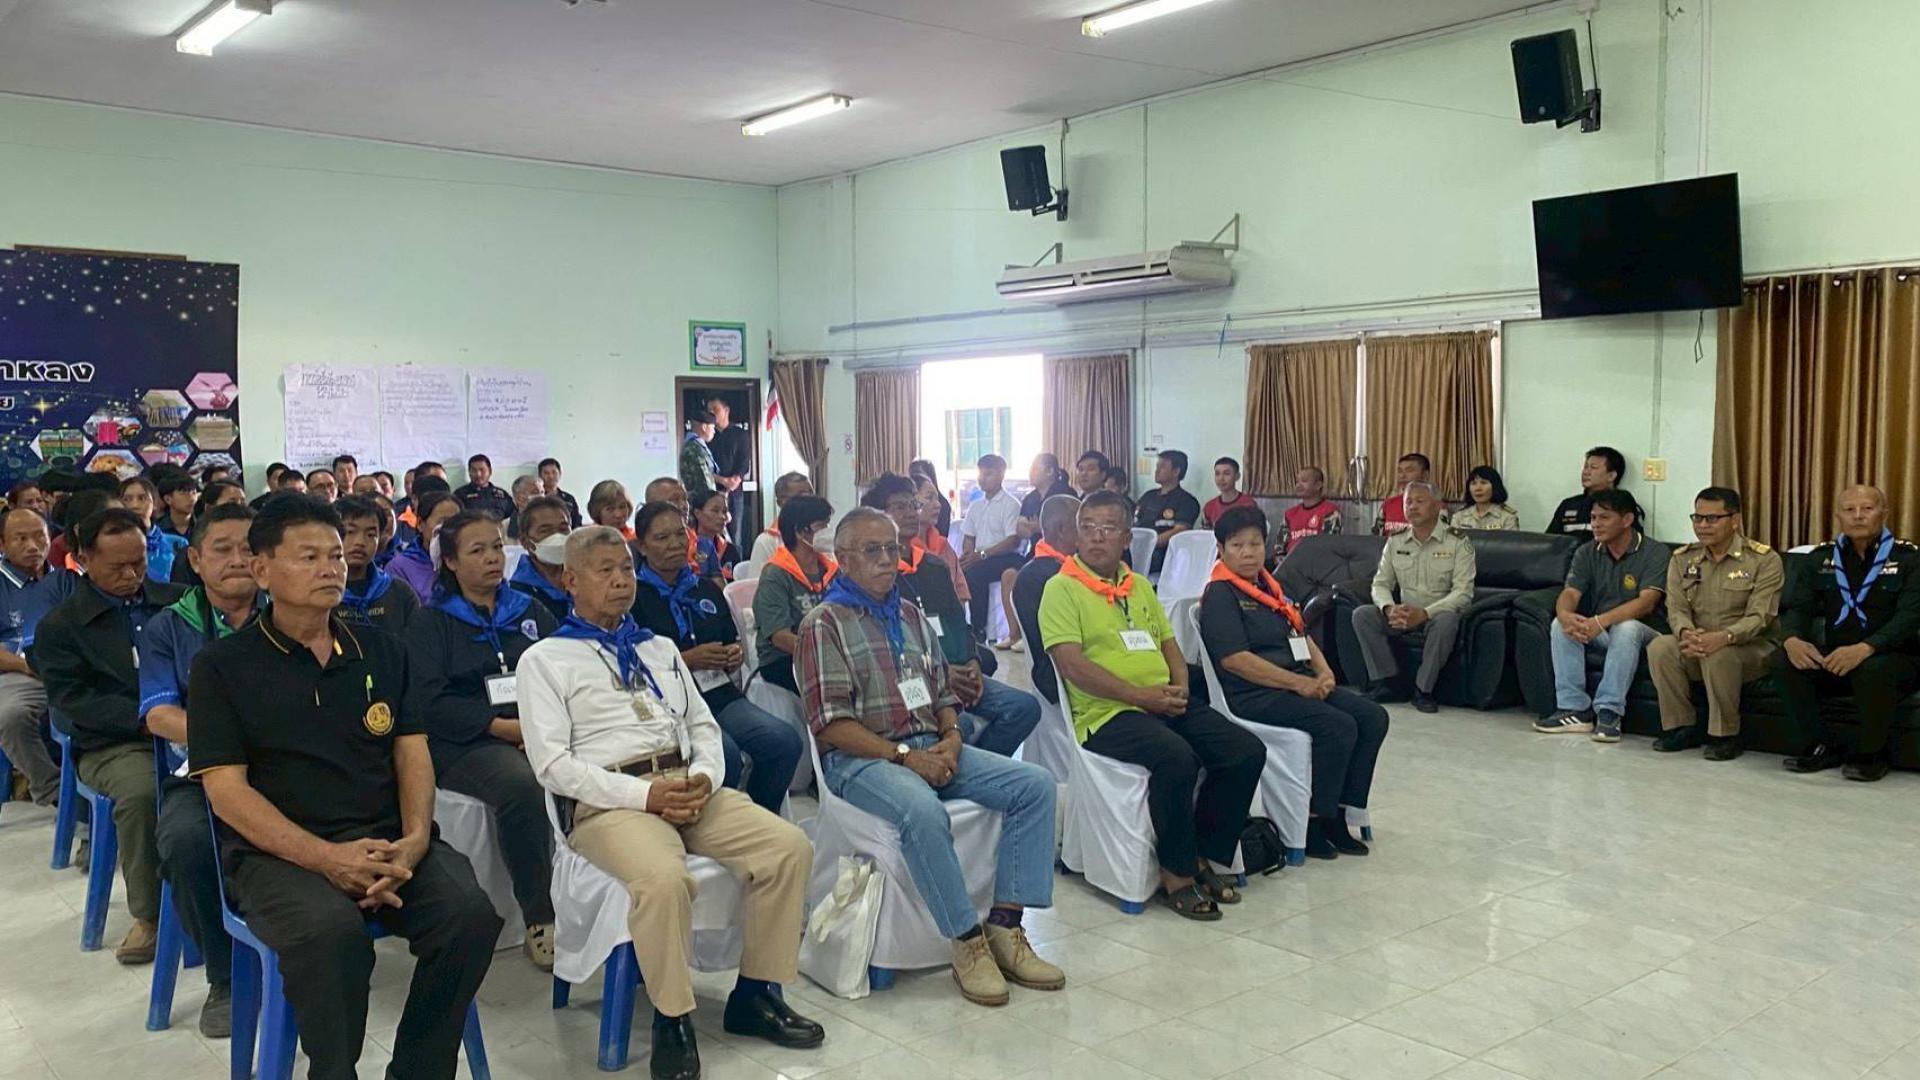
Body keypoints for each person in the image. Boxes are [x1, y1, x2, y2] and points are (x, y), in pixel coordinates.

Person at [188, 496, 501, 1080]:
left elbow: (412, 751)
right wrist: (327, 859)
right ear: (262, 570)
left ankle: (419, 1070)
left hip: (386, 839)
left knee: (469, 916)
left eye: (334, 556)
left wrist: (414, 840)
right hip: (280, 855)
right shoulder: (223, 667)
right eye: (308, 557)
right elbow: (225, 791)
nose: (330, 568)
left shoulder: (381, 649)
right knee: (333, 937)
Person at [521, 527, 824, 1079]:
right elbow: (553, 766)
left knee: (788, 847)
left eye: (626, 569)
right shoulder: (545, 659)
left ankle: (754, 994)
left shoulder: (656, 648)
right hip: (610, 803)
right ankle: (673, 1017)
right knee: (664, 879)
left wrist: (705, 777)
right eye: (605, 570)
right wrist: (645, 796)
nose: (621, 580)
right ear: (570, 580)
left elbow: (702, 725)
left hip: (685, 786)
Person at [800, 508, 1063, 1005]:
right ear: (844, 558)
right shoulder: (824, 623)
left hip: (929, 744)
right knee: (922, 809)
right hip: (861, 761)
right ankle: (966, 941)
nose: (887, 560)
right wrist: (904, 757)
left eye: (892, 549)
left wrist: (953, 738)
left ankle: (1005, 927)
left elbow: (942, 694)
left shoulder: (909, 614)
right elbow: (831, 725)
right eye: (872, 551)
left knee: (1034, 786)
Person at [1041, 491, 1263, 920]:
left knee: (1244, 750)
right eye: (1088, 528)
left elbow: (1169, 645)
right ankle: (1176, 875)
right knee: (1177, 758)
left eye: (1108, 528)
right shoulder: (1061, 588)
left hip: (1160, 701)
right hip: (1106, 714)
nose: (1096, 537)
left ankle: (1202, 852)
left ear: (1127, 538)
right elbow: (1071, 665)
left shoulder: (1139, 585)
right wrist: (1139, 697)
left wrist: (1179, 689)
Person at [31, 508, 186, 962]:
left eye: (139, 562)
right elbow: (72, 702)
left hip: (187, 726)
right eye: (118, 566)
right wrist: (145, 718)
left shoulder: (177, 603)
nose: (132, 575)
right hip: (115, 743)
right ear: (82, 559)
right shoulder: (61, 626)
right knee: (143, 793)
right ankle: (150, 915)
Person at [412, 510, 559, 969]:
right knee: (521, 786)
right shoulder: (431, 623)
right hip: (465, 742)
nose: (493, 558)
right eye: (477, 551)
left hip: (537, 729)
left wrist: (542, 726)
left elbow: (563, 666)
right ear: (451, 562)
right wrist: (500, 727)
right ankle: (540, 916)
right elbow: (429, 701)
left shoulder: (528, 610)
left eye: (496, 546)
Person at [137, 502, 262, 1037]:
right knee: (186, 840)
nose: (237, 560)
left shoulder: (288, 614)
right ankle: (225, 976)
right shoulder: (168, 626)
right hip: (200, 771)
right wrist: (236, 739)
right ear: (195, 558)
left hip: (285, 766)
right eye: (222, 549)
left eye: (248, 549)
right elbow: (159, 715)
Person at [1199, 506, 1383, 859]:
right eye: (1237, 545)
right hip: (1253, 694)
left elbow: (1299, 632)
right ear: (1221, 549)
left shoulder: (1269, 586)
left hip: (1295, 682)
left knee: (1372, 717)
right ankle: (1314, 822)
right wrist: (1298, 684)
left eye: (1255, 543)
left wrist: (1324, 672)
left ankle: (1342, 812)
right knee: (1337, 725)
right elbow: (1235, 660)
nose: (1248, 552)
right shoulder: (1221, 594)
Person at [630, 501, 802, 812]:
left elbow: (731, 639)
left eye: (680, 534)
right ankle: (717, 826)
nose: (675, 544)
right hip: (669, 706)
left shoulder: (705, 589)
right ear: (641, 546)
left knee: (784, 741)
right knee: (725, 755)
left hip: (719, 694)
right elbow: (631, 666)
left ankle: (759, 814)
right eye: (661, 538)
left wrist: (733, 654)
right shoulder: (633, 598)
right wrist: (688, 659)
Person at [865, 475, 1041, 756]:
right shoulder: (874, 574)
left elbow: (958, 622)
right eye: (899, 507)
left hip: (955, 671)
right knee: (962, 724)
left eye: (913, 504)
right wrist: (942, 675)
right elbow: (881, 648)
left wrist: (972, 661)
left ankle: (977, 766)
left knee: (1024, 708)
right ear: (876, 516)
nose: (911, 513)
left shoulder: (933, 566)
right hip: (911, 680)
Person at [1774, 486, 1920, 781]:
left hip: (1895, 657)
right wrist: (1791, 640)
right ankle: (1819, 746)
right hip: (1838, 657)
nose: (1858, 516)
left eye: (1867, 509)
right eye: (1849, 510)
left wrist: (1866, 648)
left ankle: (1872, 754)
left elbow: (1910, 616)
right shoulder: (1820, 559)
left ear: (1884, 514)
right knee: (1782, 661)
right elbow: (1798, 608)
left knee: (1873, 668)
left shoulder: (1908, 559)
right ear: (1838, 516)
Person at [1646, 487, 1783, 761]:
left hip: (1750, 648)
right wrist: (1686, 633)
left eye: (1712, 518)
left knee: (1719, 655)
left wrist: (1724, 637)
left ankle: (1726, 735)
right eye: (1697, 518)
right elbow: (1676, 607)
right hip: (1698, 642)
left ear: (1735, 520)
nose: (1702, 525)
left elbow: (1761, 616)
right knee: (1660, 647)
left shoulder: (1763, 560)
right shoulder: (1683, 559)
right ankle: (1682, 727)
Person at [1532, 489, 1669, 742]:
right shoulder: (1587, 551)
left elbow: (1646, 604)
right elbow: (1570, 592)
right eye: (1593, 518)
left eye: (1604, 518)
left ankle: (1609, 712)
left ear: (1627, 520)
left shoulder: (1655, 551)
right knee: (1560, 625)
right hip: (1604, 632)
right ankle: (1574, 709)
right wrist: (1564, 614)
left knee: (1626, 627)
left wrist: (1599, 622)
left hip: (1648, 635)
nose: (1596, 524)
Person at [1351, 482, 1476, 713]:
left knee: (1447, 621)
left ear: (1437, 506)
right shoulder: (1396, 541)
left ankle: (1423, 689)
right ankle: (1388, 683)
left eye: (1420, 501)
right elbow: (1380, 583)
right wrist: (1389, 608)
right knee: (1363, 615)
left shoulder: (1457, 542)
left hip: (1436, 615)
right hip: (1403, 614)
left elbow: (1463, 593)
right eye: (1408, 502)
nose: (1412, 507)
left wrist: (1425, 613)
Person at [0, 505, 73, 806]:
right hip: (18, 673)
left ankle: (91, 782)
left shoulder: (67, 579)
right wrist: (27, 665)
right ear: (2, 544)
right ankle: (52, 791)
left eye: (39, 537)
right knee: (11, 716)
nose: (33, 546)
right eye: (21, 539)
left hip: (67, 671)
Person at [751, 495, 835, 695]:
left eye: (828, 525)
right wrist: (825, 655)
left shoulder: (831, 569)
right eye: (821, 526)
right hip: (784, 658)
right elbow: (780, 637)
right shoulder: (775, 574)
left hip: (826, 652)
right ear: (799, 532)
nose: (828, 532)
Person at [996, 455, 1073, 652]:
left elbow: (1061, 529)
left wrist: (1035, 526)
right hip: (1035, 551)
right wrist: (1036, 526)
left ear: (1050, 471)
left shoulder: (1065, 494)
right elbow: (1021, 529)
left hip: (1060, 553)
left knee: (1037, 578)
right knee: (1009, 575)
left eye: (1035, 468)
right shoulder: (1031, 498)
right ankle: (1014, 634)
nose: (1030, 473)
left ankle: (1033, 635)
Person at [1013, 495, 1078, 706]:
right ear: (1061, 530)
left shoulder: (1068, 568)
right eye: (1083, 527)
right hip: (1061, 674)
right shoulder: (1042, 576)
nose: (1092, 536)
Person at [959, 454, 1026, 641]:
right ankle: (959, 627)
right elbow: (969, 537)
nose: (983, 478)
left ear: (1001, 475)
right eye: (980, 474)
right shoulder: (975, 506)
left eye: (988, 474)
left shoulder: (1011, 504)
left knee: (976, 573)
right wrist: (968, 555)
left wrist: (981, 555)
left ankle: (979, 629)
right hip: (981, 557)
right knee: (956, 570)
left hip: (1005, 557)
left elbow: (1012, 541)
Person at [335, 495, 421, 636]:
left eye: (371, 535)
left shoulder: (399, 592)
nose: (360, 542)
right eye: (350, 532)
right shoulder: (320, 592)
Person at [1132, 451, 1201, 574]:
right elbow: (1134, 523)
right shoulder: (1148, 496)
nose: (1157, 470)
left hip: (1164, 554)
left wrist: (1148, 545)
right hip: (1136, 548)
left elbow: (1179, 530)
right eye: (1157, 466)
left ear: (1176, 471)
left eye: (1162, 467)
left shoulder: (1187, 501)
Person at [509, 496, 575, 621]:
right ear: (525, 542)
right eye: (545, 531)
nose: (557, 537)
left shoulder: (587, 579)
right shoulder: (517, 594)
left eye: (563, 529)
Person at [391, 488, 458, 603]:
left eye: (456, 521)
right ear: (420, 524)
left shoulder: (470, 560)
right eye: (442, 522)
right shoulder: (399, 567)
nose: (450, 528)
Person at [912, 476, 970, 605]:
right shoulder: (904, 549)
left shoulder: (944, 545)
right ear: (912, 502)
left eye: (937, 498)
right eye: (929, 497)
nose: (938, 505)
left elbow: (961, 590)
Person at [705, 397, 753, 549]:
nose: (711, 413)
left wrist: (736, 479)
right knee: (712, 535)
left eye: (715, 409)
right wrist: (721, 480)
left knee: (735, 535)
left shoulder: (740, 434)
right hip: (712, 492)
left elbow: (744, 462)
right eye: (709, 410)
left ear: (726, 411)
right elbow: (704, 468)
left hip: (734, 493)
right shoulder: (707, 436)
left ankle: (736, 563)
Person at [1546, 446, 1627, 536]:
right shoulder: (1568, 504)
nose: (1586, 472)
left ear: (1611, 476)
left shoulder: (1622, 505)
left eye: (1593, 467)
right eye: (1585, 467)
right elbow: (1550, 541)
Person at [123, 475, 190, 582]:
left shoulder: (177, 544)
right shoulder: (113, 545)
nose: (134, 505)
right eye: (127, 499)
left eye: (142, 498)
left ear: (155, 503)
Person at [1278, 466, 1343, 558]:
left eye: (1304, 481)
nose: (1298, 485)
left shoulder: (1330, 511)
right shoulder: (1290, 514)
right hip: (1289, 563)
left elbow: (1328, 548)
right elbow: (1279, 549)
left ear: (1318, 485)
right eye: (1297, 482)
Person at [750, 472, 814, 565]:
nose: (811, 501)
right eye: (802, 496)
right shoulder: (767, 542)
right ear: (782, 502)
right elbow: (760, 575)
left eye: (811, 494)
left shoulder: (819, 535)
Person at [691, 488, 740, 584]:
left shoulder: (730, 550)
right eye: (715, 511)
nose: (722, 517)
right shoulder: (686, 545)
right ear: (698, 513)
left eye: (724, 511)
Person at [1377, 453, 1432, 537]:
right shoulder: (1387, 505)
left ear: (1425, 475)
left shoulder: (1436, 507)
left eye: (1409, 470)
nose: (1402, 476)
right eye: (1400, 471)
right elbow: (1375, 537)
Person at [1454, 465, 1520, 531]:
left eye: (1483, 483)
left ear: (1495, 486)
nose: (1478, 488)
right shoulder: (1459, 517)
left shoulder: (1507, 517)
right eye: (1473, 483)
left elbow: (1510, 538)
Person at [455, 453, 516, 521]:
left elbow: (513, 515)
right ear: (469, 472)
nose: (478, 474)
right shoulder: (460, 494)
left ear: (490, 471)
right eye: (474, 470)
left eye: (482, 470)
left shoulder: (502, 495)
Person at [1201, 457, 1257, 528]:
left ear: (1237, 476)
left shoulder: (1248, 504)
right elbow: (1205, 532)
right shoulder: (1209, 507)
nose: (1221, 478)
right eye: (1217, 474)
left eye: (1226, 474)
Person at [679, 410, 720, 500]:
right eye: (712, 428)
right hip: (701, 501)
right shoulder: (694, 448)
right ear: (704, 427)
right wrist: (714, 500)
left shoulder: (698, 445)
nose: (714, 431)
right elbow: (704, 480)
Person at [538, 458, 583, 528]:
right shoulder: (537, 498)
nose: (551, 476)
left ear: (560, 474)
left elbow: (576, 521)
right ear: (540, 476)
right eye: (546, 473)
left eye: (554, 472)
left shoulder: (569, 498)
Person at [155, 471, 199, 538]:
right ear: (168, 499)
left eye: (194, 492)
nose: (192, 498)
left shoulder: (204, 526)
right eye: (184, 493)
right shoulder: (156, 529)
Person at [505, 475, 542, 539]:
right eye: (535, 492)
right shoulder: (503, 528)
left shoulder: (553, 524)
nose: (541, 496)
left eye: (542, 492)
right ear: (519, 498)